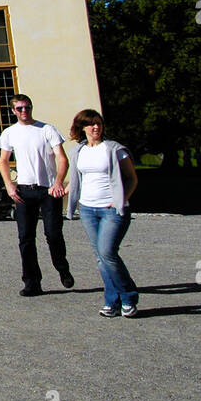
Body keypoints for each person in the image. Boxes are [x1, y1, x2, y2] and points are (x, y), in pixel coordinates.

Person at [65, 109, 140, 318]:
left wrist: (121, 200)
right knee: (100, 257)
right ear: (82, 128)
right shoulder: (78, 151)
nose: (95, 127)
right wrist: (63, 189)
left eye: (98, 123)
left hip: (111, 210)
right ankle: (112, 302)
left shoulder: (114, 149)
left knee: (107, 253)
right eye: (90, 124)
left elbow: (132, 178)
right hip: (88, 209)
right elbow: (79, 178)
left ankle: (128, 296)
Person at [0, 94, 73, 297]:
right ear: (13, 111)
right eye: (20, 108)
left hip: (48, 190)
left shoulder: (46, 129)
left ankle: (62, 267)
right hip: (24, 190)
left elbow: (62, 159)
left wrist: (58, 181)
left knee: (53, 234)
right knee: (26, 238)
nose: (24, 111)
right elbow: (3, 161)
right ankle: (32, 282)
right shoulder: (9, 133)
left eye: (27, 107)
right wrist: (9, 185)